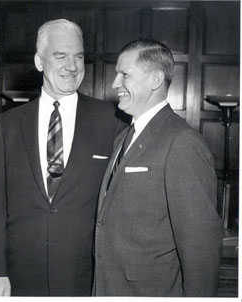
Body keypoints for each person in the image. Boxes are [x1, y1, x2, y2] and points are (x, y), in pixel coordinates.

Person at [0, 19, 124, 296]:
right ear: (39, 61)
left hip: (86, 277)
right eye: (61, 56)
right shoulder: (8, 125)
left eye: (78, 57)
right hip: (19, 276)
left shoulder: (112, 121)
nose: (72, 66)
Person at [94, 39, 223, 296]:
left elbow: (200, 249)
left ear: (155, 79)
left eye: (124, 75)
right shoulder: (124, 137)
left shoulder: (183, 142)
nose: (114, 84)